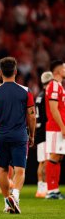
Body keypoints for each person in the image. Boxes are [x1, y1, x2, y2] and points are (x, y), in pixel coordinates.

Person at [0, 57, 36, 214]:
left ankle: (7, 203)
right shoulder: (26, 91)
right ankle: (15, 196)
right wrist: (32, 135)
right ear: (15, 71)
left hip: (1, 135)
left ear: (0, 72)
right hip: (19, 135)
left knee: (3, 169)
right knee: (20, 170)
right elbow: (32, 115)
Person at [45, 60, 65, 199]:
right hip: (55, 127)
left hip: (59, 127)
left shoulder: (59, 86)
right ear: (58, 71)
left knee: (58, 156)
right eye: (64, 68)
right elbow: (53, 109)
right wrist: (62, 126)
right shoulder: (53, 86)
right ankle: (50, 190)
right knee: (53, 156)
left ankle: (55, 189)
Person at [34, 71, 52, 198]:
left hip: (39, 130)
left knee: (41, 161)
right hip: (45, 130)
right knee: (45, 161)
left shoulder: (39, 95)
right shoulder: (47, 95)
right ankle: (44, 187)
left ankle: (41, 186)